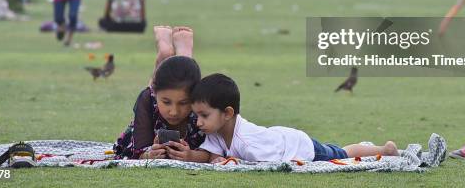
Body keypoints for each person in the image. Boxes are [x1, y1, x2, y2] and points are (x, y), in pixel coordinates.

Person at [169, 74, 399, 163]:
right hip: (280, 137)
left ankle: (384, 150)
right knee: (338, 150)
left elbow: (266, 165)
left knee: (340, 155)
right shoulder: (217, 131)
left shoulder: (248, 144)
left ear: (227, 113)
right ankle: (372, 148)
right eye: (196, 115)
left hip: (300, 146)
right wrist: (190, 156)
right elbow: (213, 156)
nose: (198, 122)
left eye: (203, 115)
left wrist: (231, 162)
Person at [114, 27, 207, 160]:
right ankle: (172, 56)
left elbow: (216, 151)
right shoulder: (148, 98)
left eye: (183, 103)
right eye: (166, 102)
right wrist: (148, 155)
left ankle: (183, 55)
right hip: (153, 107)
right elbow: (137, 150)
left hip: (185, 91)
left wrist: (193, 156)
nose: (174, 112)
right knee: (175, 84)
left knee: (183, 81)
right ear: (155, 93)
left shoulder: (201, 105)